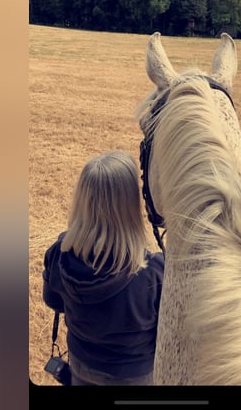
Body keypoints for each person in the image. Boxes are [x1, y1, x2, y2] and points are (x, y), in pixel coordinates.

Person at [42, 151, 165, 386]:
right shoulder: (155, 272)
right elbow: (167, 336)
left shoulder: (58, 253)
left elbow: (53, 302)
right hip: (135, 376)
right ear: (130, 203)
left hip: (80, 365)